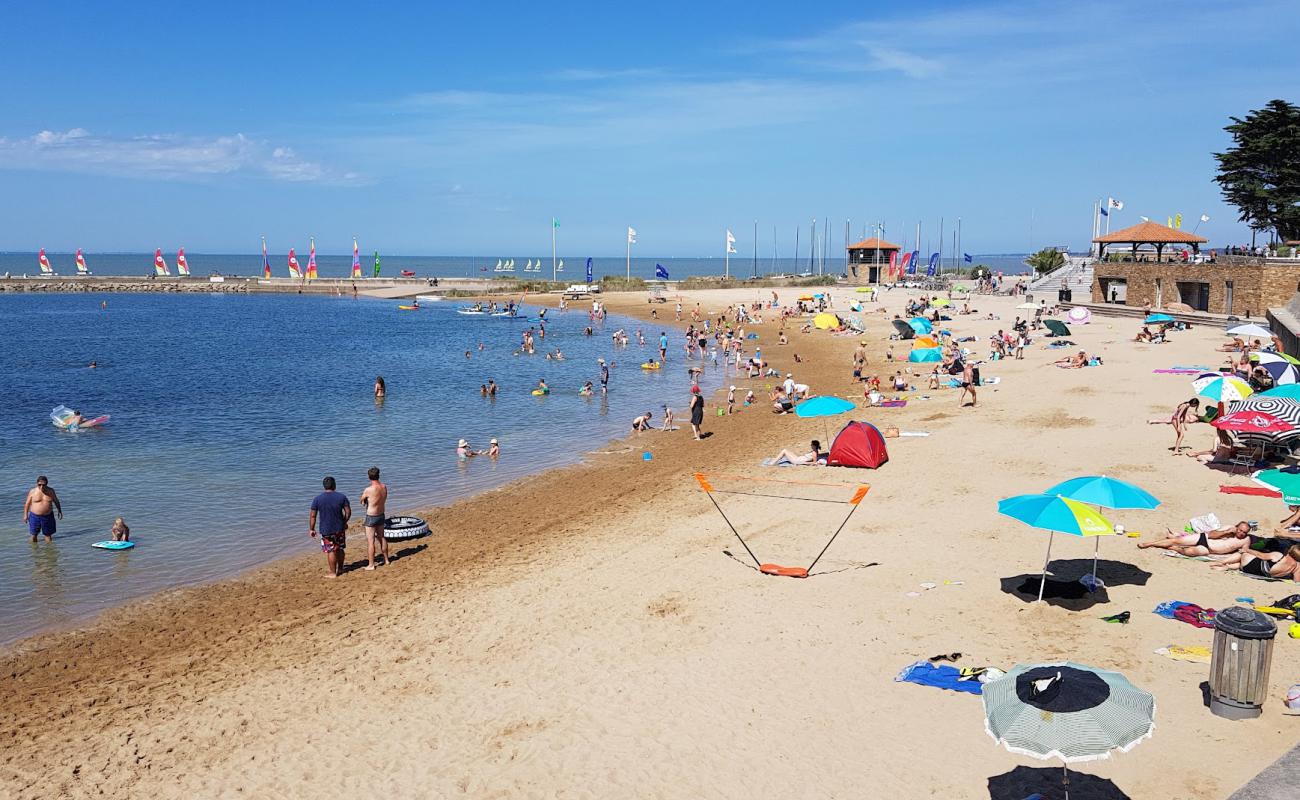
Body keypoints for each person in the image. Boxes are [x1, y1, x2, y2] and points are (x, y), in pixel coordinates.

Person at [308, 477, 351, 578]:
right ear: (334, 485)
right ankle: (340, 568)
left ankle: (332, 572)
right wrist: (344, 522)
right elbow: (348, 512)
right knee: (340, 548)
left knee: (331, 550)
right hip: (339, 528)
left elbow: (313, 515)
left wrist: (312, 529)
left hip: (326, 529)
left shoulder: (317, 499)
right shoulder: (341, 497)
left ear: (324, 486)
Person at [1138, 520, 1254, 555]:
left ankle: (1173, 548)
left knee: (1188, 551)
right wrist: (1227, 532)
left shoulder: (1245, 540)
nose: (1241, 533)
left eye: (1244, 532)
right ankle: (1150, 543)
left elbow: (1244, 551)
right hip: (1204, 539)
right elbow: (1212, 534)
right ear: (1236, 527)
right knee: (1176, 540)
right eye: (1240, 530)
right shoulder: (1229, 527)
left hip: (1209, 550)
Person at [1211, 545, 1300, 579]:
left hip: (1249, 565)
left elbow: (1261, 555)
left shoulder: (1279, 555)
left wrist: (1247, 550)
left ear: (1289, 551)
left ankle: (1222, 562)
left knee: (1243, 554)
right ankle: (1228, 567)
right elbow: (1297, 581)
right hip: (1258, 572)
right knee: (1243, 564)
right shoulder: (1297, 567)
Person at [360, 467, 389, 571]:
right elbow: (384, 497)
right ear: (378, 475)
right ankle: (386, 559)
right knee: (382, 537)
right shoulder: (384, 487)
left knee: (370, 541)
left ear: (369, 477)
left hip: (371, 516)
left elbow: (362, 500)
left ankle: (371, 565)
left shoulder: (368, 489)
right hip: (381, 514)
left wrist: (365, 500)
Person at [23, 476, 62, 542]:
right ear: (37, 483)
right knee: (33, 535)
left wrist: (59, 511)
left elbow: (56, 501)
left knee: (48, 535)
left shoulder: (51, 491)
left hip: (48, 516)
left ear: (47, 484)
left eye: (44, 485)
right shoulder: (33, 491)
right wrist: (25, 515)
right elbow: (27, 504)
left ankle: (49, 551)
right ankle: (34, 551)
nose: (41, 487)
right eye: (39, 485)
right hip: (34, 516)